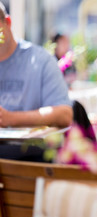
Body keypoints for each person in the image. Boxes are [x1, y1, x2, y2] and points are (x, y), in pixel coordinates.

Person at [0, 2, 73, 161]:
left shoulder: (40, 60)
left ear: (8, 23)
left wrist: (11, 118)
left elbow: (64, 113)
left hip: (27, 158)